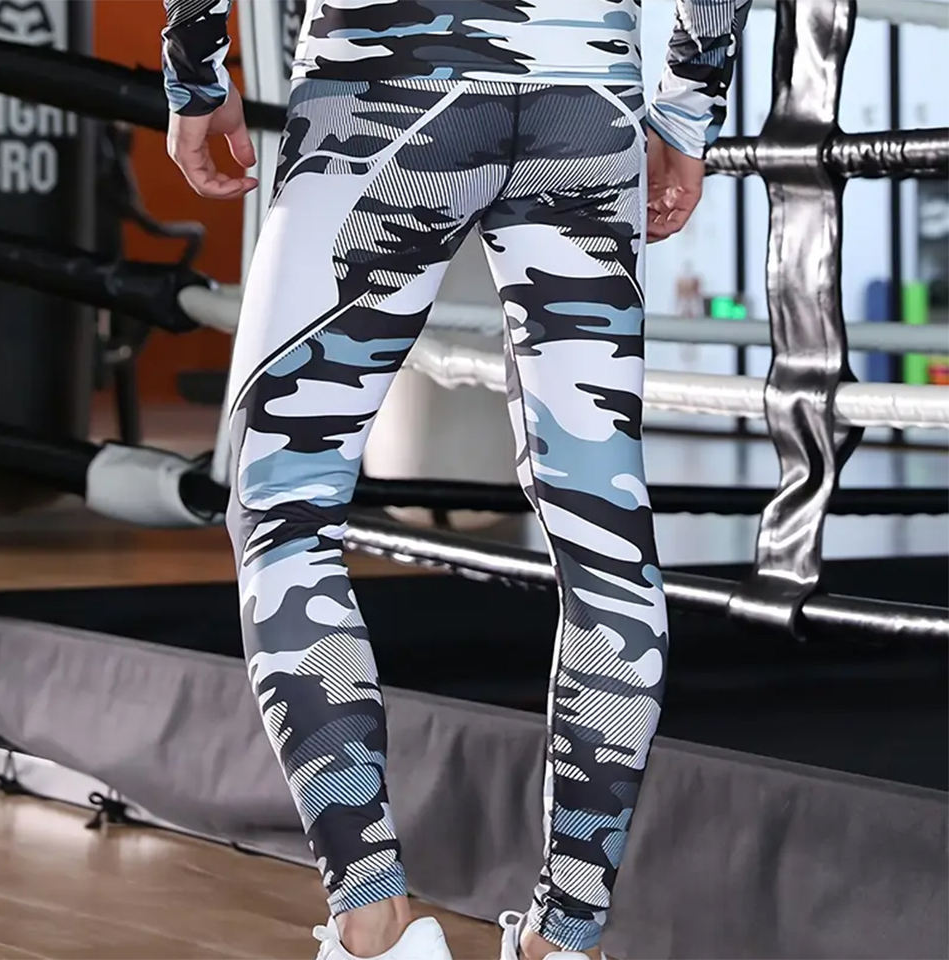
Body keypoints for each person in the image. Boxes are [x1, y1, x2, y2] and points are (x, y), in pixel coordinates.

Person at [163, 2, 751, 958]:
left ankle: (374, 921)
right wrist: (687, 110)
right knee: (605, 536)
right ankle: (567, 939)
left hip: (383, 80)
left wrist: (195, 72)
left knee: (284, 505)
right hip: (583, 95)